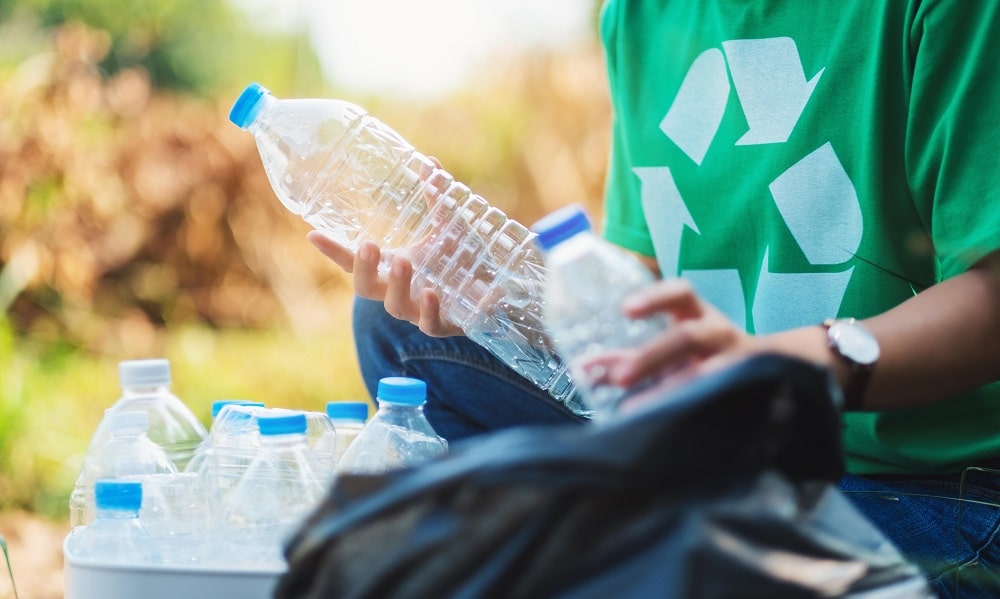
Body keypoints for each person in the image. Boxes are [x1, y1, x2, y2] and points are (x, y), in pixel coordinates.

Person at [308, 1, 1000, 596]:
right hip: (725, 453)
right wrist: (506, 296)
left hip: (931, 487)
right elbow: (645, 285)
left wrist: (780, 365)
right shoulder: (641, 15)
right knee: (409, 334)